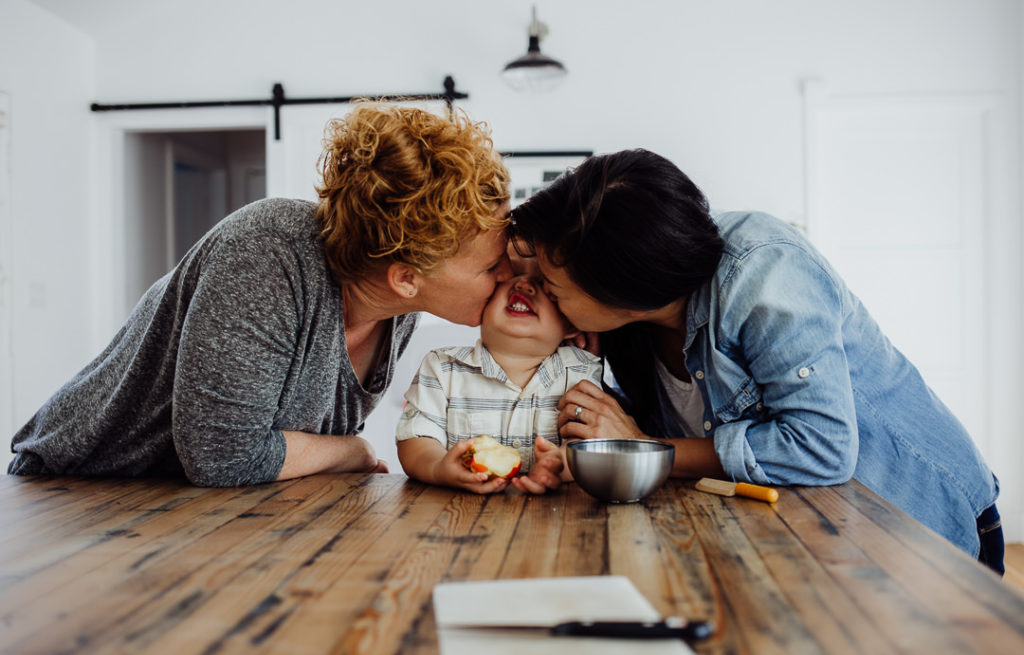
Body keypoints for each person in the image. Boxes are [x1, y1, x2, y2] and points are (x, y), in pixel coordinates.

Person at [508, 148, 1003, 573]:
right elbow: (686, 417)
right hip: (810, 534)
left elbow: (821, 446)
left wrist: (646, 451)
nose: (544, 295)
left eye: (552, 288)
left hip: (915, 524)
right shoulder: (632, 321)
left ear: (624, 296)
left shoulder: (763, 271)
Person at [9, 102, 514, 487]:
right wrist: (353, 450)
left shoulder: (399, 304)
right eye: (493, 266)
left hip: (182, 506)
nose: (510, 273)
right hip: (76, 489)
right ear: (405, 277)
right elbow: (222, 458)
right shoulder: (266, 256)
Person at [396, 274, 602, 494]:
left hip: (553, 511)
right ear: (481, 304)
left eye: (543, 282)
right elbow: (415, 438)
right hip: (459, 510)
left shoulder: (582, 371)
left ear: (571, 323)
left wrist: (559, 466)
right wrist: (438, 469)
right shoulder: (441, 367)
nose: (524, 285)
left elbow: (590, 442)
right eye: (511, 276)